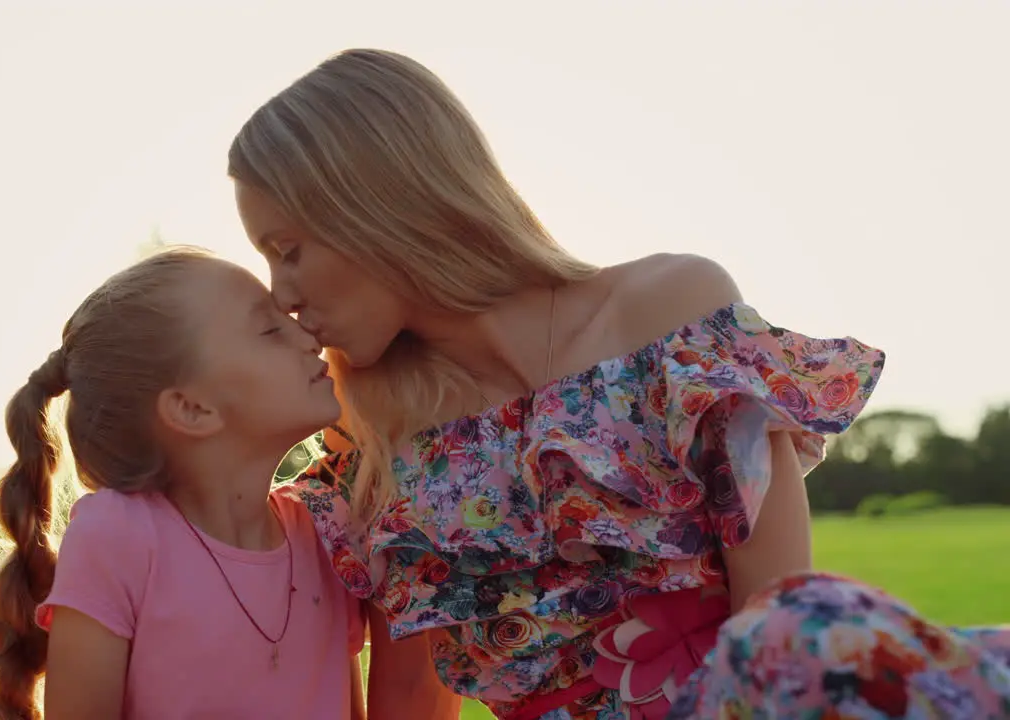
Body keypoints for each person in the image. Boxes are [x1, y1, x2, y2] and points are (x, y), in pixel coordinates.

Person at [228, 48, 1010, 719]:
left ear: (373, 203)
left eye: (287, 248)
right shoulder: (372, 436)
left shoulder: (670, 315)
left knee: (804, 629)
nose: (282, 291)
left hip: (762, 696)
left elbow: (781, 609)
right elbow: (408, 703)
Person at [0, 247, 368, 720]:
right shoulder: (119, 536)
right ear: (192, 409)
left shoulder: (327, 531)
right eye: (270, 330)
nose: (309, 338)